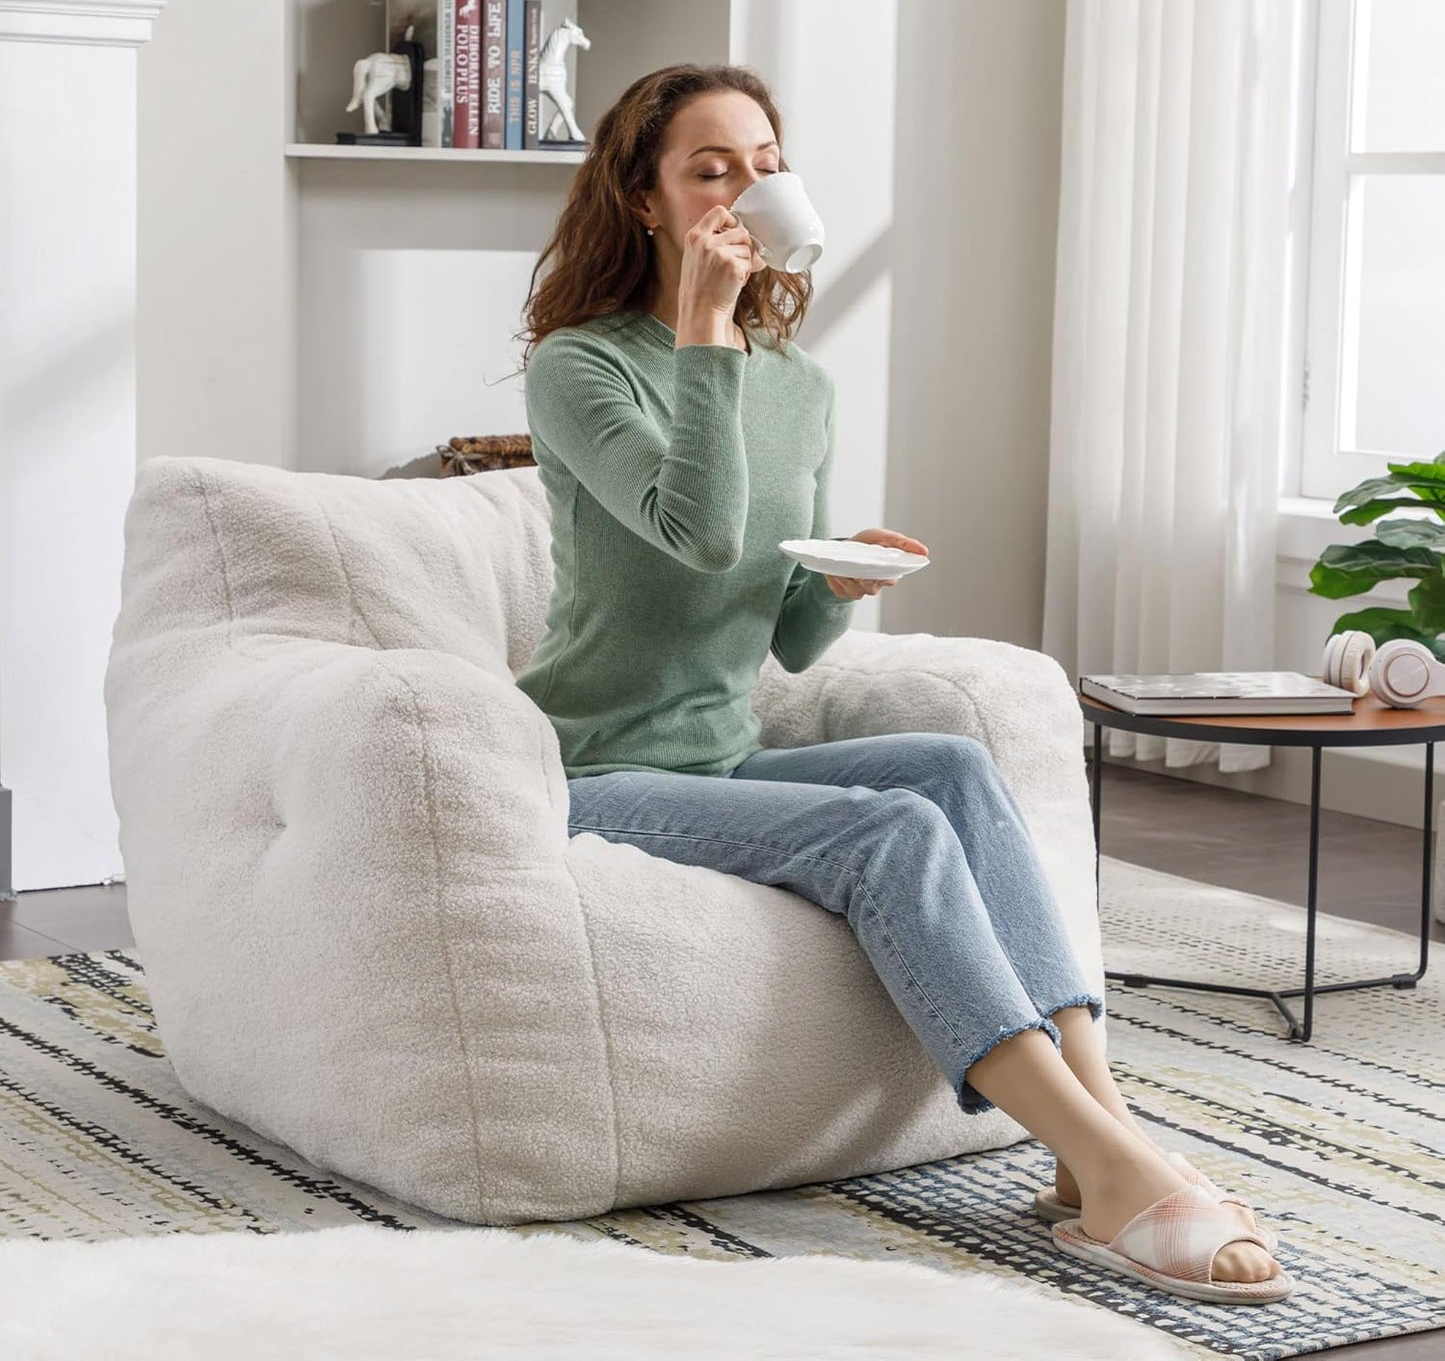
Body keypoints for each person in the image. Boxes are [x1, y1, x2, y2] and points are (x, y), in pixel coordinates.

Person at [514, 63, 1290, 1304]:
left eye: (762, 161)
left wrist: (839, 581)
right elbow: (699, 534)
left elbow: (784, 635)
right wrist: (707, 332)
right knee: (885, 828)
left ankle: (1104, 1130)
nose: (745, 187)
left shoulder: (797, 386)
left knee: (951, 766)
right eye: (709, 168)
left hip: (714, 752)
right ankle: (1108, 1167)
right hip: (595, 766)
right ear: (645, 201)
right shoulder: (582, 367)